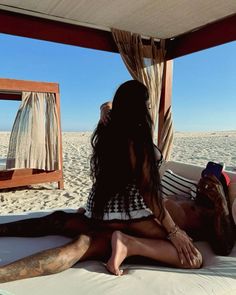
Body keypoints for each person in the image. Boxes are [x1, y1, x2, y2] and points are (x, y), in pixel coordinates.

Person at [0, 80, 232, 282]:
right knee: (65, 229)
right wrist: (172, 231)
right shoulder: (134, 137)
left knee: (72, 235)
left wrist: (217, 202)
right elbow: (149, 193)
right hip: (132, 217)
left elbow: (224, 244)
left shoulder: (210, 212)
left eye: (213, 184)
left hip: (113, 214)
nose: (205, 185)